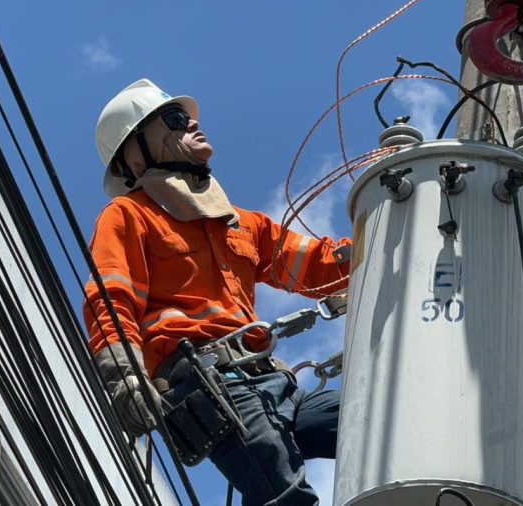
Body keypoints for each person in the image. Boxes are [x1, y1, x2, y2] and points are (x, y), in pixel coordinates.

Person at [84, 78, 351, 506]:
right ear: (136, 152)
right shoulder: (129, 216)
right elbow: (111, 302)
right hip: (205, 385)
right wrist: (125, 379)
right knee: (286, 495)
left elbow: (318, 268)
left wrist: (388, 233)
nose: (193, 123)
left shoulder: (243, 224)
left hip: (271, 382)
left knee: (374, 419)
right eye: (175, 120)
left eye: (190, 116)